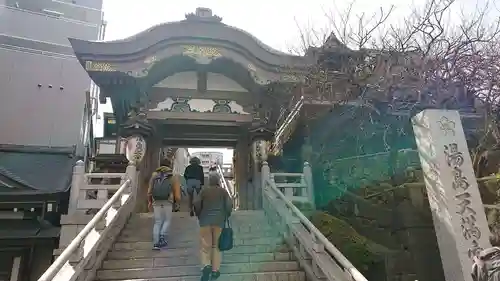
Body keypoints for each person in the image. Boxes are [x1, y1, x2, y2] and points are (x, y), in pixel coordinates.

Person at [193, 173, 233, 281]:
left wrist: (199, 214)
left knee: (205, 247)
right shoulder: (223, 192)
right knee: (216, 247)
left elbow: (196, 203)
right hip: (219, 222)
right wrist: (226, 214)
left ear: (209, 181)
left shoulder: (204, 191)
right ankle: (215, 271)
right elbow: (229, 205)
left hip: (205, 221)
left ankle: (206, 266)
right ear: (218, 181)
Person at [147, 159, 181, 250]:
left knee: (157, 222)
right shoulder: (173, 176)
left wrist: (150, 201)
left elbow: (149, 191)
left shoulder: (154, 175)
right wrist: (177, 203)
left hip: (156, 201)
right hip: (167, 202)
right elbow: (177, 195)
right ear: (170, 165)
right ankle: (162, 237)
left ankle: (155, 243)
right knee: (167, 220)